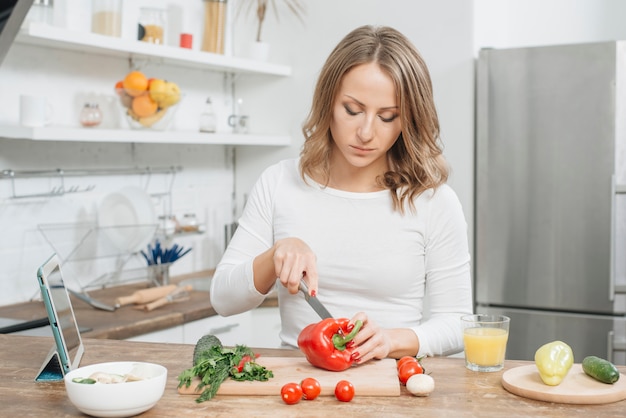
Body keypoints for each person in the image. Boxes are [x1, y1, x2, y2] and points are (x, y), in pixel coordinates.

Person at [210, 25, 472, 364]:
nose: (366, 132)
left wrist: (391, 341)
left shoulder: (433, 201)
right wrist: (275, 255)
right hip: (299, 388)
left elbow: (458, 325)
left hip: (393, 386)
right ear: (328, 102)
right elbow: (223, 299)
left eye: (387, 116)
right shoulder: (279, 182)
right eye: (352, 109)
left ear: (407, 120)